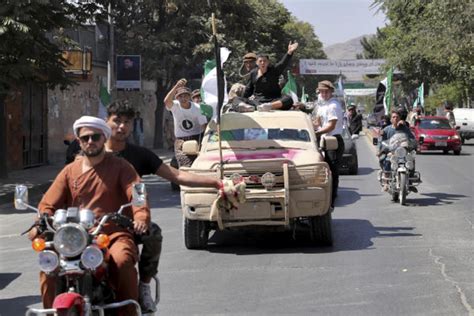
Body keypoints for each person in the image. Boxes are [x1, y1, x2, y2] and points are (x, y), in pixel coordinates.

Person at [104, 101, 222, 312]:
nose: (121, 127)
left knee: (153, 233)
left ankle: (144, 285)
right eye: (117, 121)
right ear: (106, 121)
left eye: (126, 122)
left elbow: (176, 175)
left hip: (125, 222)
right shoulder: (87, 150)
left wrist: (214, 182)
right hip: (91, 222)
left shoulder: (139, 155)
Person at [30, 116, 149, 316]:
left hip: (111, 233)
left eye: (95, 137)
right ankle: (50, 312)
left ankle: (128, 312)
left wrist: (140, 217)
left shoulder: (121, 167)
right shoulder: (69, 171)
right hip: (74, 237)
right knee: (48, 266)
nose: (90, 142)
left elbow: (137, 193)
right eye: (85, 138)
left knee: (122, 261)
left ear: (104, 138)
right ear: (79, 141)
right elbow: (48, 203)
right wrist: (39, 222)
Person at [312, 80, 345, 208]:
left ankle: (331, 200)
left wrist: (317, 133)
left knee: (332, 171)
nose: (324, 94)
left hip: (333, 140)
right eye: (322, 92)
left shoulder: (333, 105)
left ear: (331, 92)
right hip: (324, 140)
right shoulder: (322, 106)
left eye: (326, 91)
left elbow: (331, 126)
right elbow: (318, 122)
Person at [241, 41, 299, 111]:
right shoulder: (253, 73)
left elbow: (283, 63)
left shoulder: (273, 70)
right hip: (257, 102)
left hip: (273, 100)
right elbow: (248, 90)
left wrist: (289, 52)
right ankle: (245, 107)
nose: (263, 63)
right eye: (260, 61)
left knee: (288, 99)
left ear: (268, 62)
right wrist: (243, 100)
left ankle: (269, 106)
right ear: (257, 63)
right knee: (237, 99)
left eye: (264, 61)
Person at [164, 79, 208, 168]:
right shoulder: (175, 106)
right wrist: (176, 86)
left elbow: (204, 126)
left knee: (197, 165)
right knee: (184, 165)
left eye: (185, 96)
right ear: (177, 98)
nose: (183, 98)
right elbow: (166, 101)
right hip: (181, 141)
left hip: (196, 139)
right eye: (180, 96)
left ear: (190, 97)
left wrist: (205, 143)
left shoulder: (197, 108)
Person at [378, 109, 417, 191]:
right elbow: (381, 141)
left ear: (400, 119)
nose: (395, 118)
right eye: (393, 117)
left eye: (397, 117)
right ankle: (386, 182)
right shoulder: (387, 129)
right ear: (391, 119)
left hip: (403, 151)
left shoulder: (405, 128)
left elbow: (411, 138)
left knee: (411, 159)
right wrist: (381, 149)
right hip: (391, 152)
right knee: (387, 160)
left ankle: (410, 181)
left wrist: (413, 144)